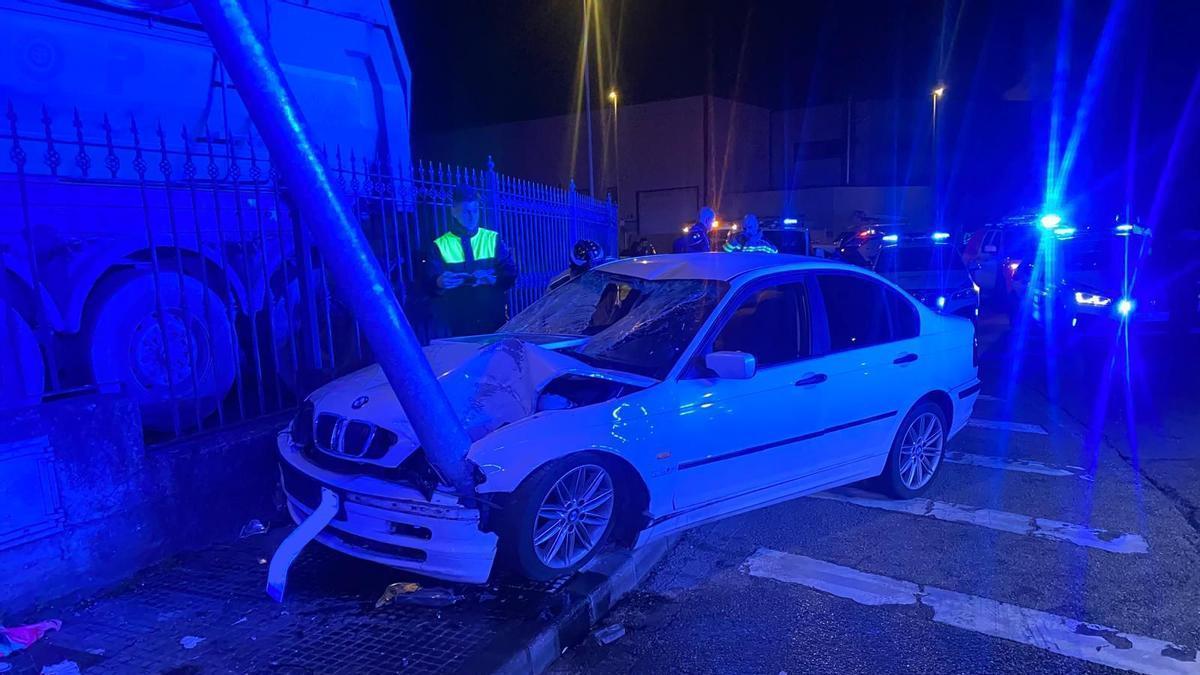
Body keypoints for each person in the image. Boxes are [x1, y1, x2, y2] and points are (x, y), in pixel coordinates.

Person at [421, 185, 517, 337]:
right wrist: (439, 282)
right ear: (454, 212)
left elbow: (510, 274)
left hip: (494, 319)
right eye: (466, 212)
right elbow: (428, 283)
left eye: (475, 211)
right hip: (458, 324)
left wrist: (492, 279)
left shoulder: (492, 238)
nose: (472, 216)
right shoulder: (440, 245)